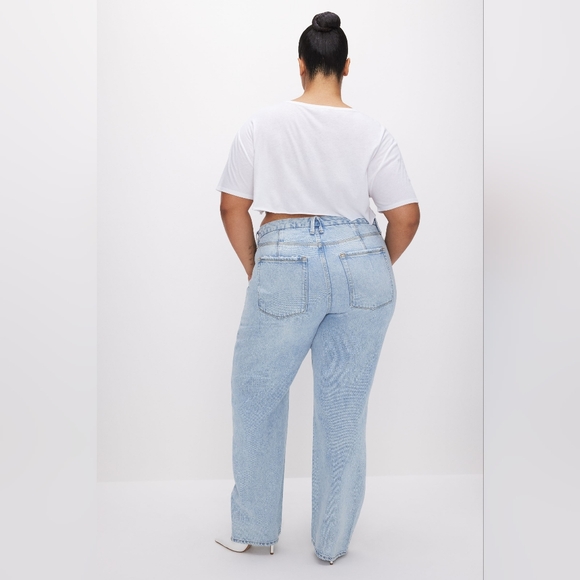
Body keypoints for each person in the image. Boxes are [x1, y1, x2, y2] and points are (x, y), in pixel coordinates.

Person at [214, 11, 420, 565]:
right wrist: (370, 267)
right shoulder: (373, 131)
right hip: (362, 263)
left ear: (301, 65)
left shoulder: (262, 124)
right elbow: (405, 216)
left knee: (257, 395)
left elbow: (232, 206)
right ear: (346, 66)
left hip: (283, 259)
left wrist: (258, 267)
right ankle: (331, 545)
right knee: (343, 409)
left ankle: (255, 530)